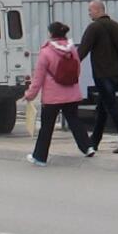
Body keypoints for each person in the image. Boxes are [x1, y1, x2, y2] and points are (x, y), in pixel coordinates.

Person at [24, 21, 95, 166]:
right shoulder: (72, 50)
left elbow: (38, 78)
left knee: (47, 127)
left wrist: (30, 94)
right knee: (74, 120)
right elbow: (77, 70)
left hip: (52, 97)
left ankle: (40, 157)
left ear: (51, 33)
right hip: (72, 93)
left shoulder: (46, 52)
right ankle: (88, 147)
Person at [78, 0, 118, 154]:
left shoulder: (93, 28)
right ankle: (94, 141)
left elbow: (82, 50)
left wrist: (70, 65)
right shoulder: (116, 26)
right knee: (102, 108)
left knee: (112, 107)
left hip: (103, 74)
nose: (89, 13)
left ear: (98, 10)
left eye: (90, 10)